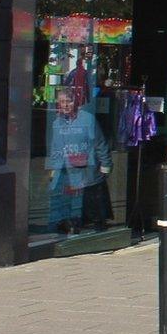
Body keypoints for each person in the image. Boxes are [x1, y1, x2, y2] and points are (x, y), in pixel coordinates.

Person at [46, 88, 111, 233]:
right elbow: (56, 148)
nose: (65, 105)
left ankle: (98, 231)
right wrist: (53, 170)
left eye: (68, 101)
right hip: (68, 170)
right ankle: (71, 226)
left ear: (75, 102)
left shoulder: (87, 119)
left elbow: (100, 143)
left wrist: (106, 165)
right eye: (62, 102)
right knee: (67, 202)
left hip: (88, 169)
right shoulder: (57, 123)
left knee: (93, 204)